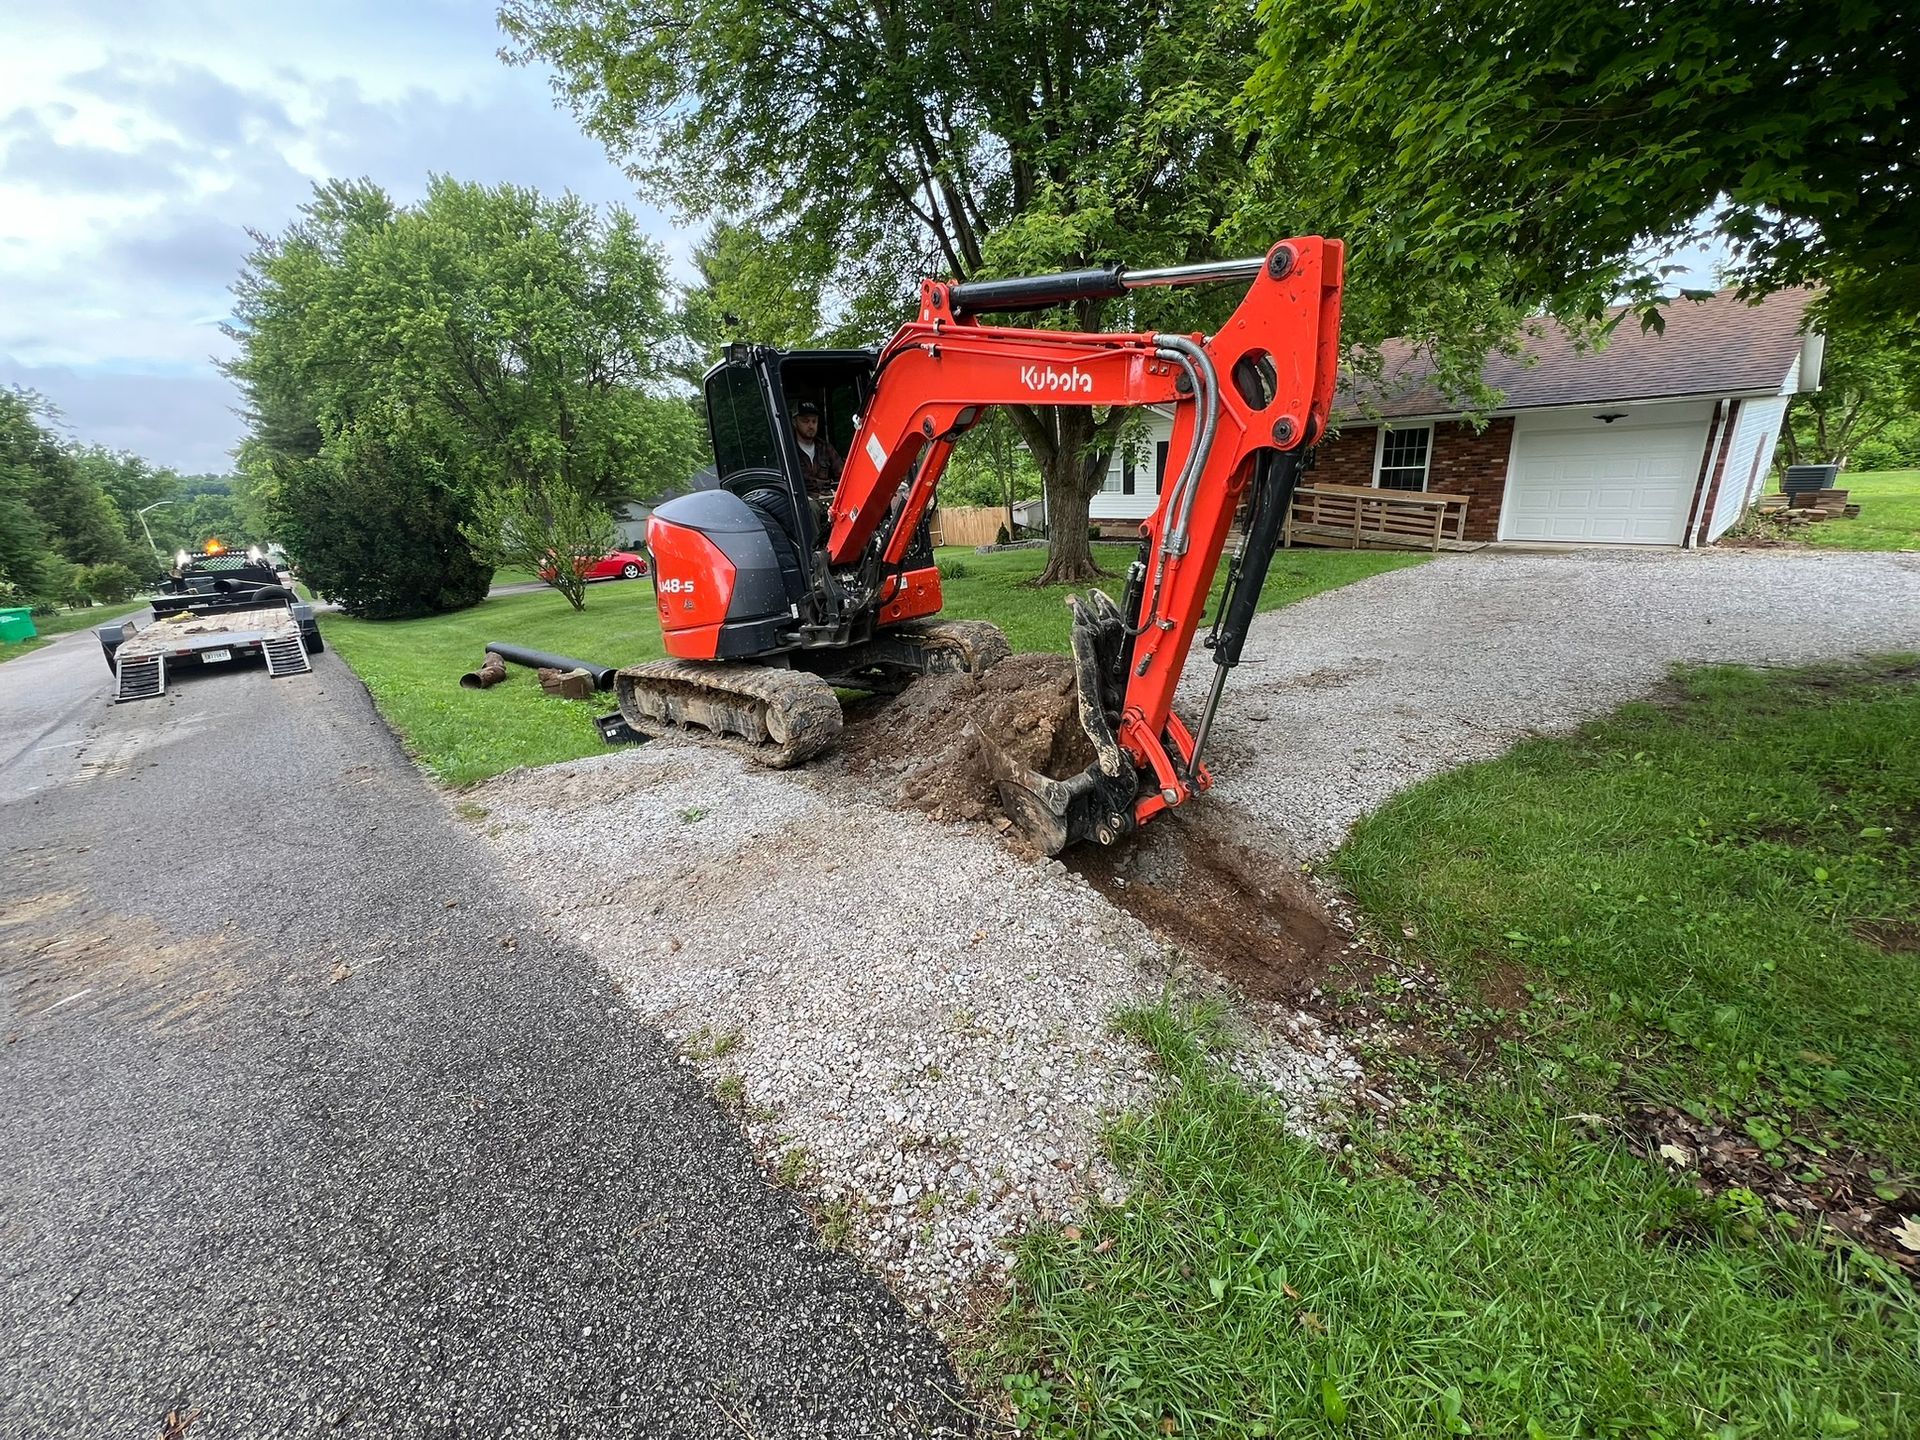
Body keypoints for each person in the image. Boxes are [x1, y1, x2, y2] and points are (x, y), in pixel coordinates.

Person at [791, 401, 843, 502]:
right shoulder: (789, 450)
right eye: (805, 421)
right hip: (803, 502)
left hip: (828, 497)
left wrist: (838, 491)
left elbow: (842, 475)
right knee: (811, 507)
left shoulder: (825, 447)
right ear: (794, 422)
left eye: (814, 421)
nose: (811, 426)